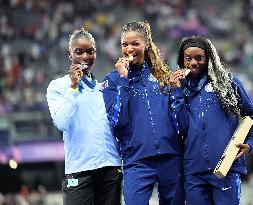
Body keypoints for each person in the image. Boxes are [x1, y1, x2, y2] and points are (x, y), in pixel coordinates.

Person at [169, 36, 253, 205]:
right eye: (188, 58)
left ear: (209, 58)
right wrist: (177, 93)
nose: (193, 63)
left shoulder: (229, 83)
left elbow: (252, 117)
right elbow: (181, 128)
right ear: (181, 60)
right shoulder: (179, 89)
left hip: (226, 167)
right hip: (193, 171)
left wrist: (250, 143)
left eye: (199, 58)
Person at [102, 21, 185, 205]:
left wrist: (177, 92)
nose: (129, 49)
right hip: (136, 162)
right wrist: (124, 81)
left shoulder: (161, 75)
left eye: (135, 44)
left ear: (146, 44)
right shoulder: (113, 80)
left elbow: (179, 120)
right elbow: (117, 120)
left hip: (170, 157)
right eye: (125, 44)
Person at [46, 28, 122, 205]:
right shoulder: (58, 86)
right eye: (79, 52)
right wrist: (73, 87)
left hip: (110, 168)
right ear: (69, 54)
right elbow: (62, 122)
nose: (85, 57)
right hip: (79, 171)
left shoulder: (102, 88)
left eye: (90, 51)